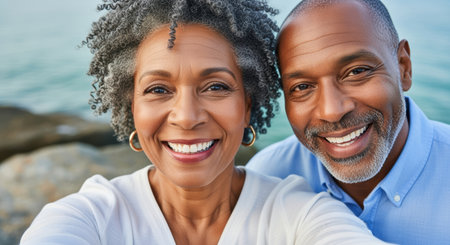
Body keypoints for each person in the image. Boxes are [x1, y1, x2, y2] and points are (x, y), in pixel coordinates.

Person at [20, 0, 390, 244]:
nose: (186, 116)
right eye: (158, 89)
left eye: (215, 86)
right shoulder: (88, 218)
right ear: (130, 105)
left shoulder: (302, 215)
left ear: (247, 105)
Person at [246, 0, 450, 244]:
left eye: (357, 72)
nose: (332, 111)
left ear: (403, 68)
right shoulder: (268, 176)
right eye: (302, 87)